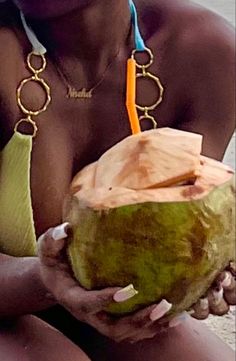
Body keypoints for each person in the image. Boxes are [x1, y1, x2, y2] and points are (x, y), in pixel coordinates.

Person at [0, 0, 235, 360]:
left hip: (107, 309)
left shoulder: (204, 52)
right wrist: (42, 281)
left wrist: (212, 264)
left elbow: (188, 227)